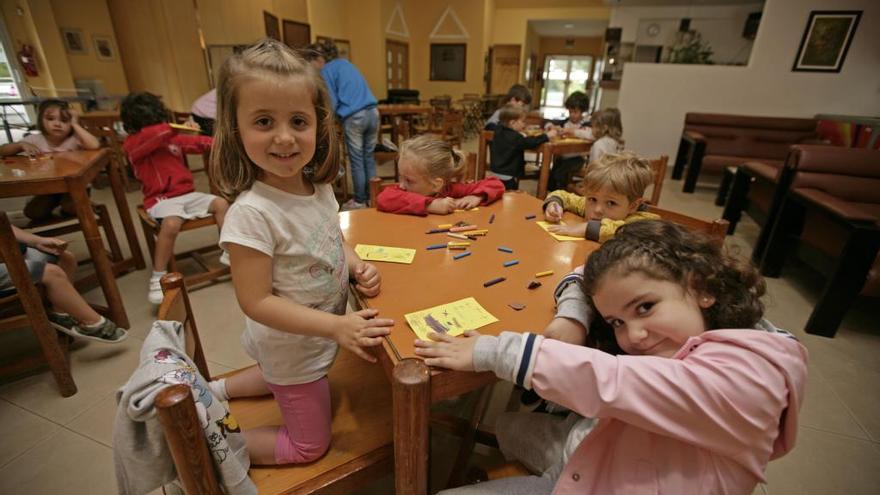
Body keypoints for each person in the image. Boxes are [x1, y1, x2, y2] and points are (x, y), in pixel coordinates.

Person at [417, 220, 808, 495]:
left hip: (607, 479)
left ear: (703, 286)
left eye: (645, 307)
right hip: (604, 449)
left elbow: (615, 381)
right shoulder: (703, 313)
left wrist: (495, 351)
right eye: (616, 321)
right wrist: (574, 316)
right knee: (506, 424)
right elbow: (586, 272)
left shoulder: (754, 381)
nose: (633, 336)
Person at [208, 39, 395, 465]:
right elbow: (256, 301)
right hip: (293, 352)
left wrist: (355, 263)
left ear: (319, 123)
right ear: (235, 128)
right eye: (263, 121)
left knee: (278, 378)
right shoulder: (251, 214)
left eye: (298, 120)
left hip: (310, 342)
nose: (285, 137)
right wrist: (335, 329)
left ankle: (217, 389)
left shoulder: (319, 188)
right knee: (309, 446)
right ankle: (211, 444)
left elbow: (331, 240)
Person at [120, 92, 229, 305]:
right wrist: (174, 127)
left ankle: (229, 250)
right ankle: (157, 276)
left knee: (221, 203)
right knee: (171, 224)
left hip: (186, 195)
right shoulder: (133, 144)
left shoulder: (168, 137)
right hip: (160, 200)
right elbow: (155, 135)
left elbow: (197, 143)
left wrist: (219, 142)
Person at [0, 225, 125, 343]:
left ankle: (60, 314)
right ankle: (93, 323)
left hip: (8, 251)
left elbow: (3, 224)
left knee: (65, 257)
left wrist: (37, 241)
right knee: (52, 273)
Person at [305, 40, 379, 210]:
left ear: (319, 59)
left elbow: (331, 102)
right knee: (368, 157)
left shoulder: (327, 70)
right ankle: (372, 198)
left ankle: (360, 200)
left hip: (354, 117)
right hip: (373, 112)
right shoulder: (346, 64)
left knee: (356, 159)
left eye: (312, 63)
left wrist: (324, 124)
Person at [0, 99, 101, 222]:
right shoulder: (35, 139)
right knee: (32, 213)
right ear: (41, 120)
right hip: (47, 187)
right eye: (50, 119)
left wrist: (75, 124)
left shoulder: (75, 139)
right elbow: (3, 151)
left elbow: (94, 145)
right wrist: (20, 145)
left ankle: (83, 205)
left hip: (75, 185)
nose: (57, 124)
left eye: (64, 121)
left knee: (72, 208)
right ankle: (62, 204)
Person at [376, 135, 504, 215]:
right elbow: (383, 199)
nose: (402, 185)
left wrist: (478, 196)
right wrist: (430, 205)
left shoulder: (449, 190)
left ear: (436, 184)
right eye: (401, 177)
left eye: (408, 180)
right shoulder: (401, 192)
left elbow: (495, 184)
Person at [542, 151, 658, 241]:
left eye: (611, 203)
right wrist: (555, 204)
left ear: (633, 206)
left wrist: (587, 228)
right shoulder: (588, 205)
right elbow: (564, 195)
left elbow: (620, 231)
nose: (597, 210)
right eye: (592, 199)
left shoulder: (643, 223)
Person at [489, 105, 557, 191]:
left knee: (498, 193)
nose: (525, 124)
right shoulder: (516, 138)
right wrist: (546, 136)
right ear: (512, 123)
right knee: (510, 194)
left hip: (495, 171)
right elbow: (529, 143)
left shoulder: (498, 130)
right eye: (523, 121)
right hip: (509, 175)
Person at [546, 91, 593, 192]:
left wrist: (572, 131)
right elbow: (547, 123)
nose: (572, 115)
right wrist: (552, 127)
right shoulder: (565, 122)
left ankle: (562, 192)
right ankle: (552, 191)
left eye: (575, 112)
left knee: (560, 174)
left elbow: (590, 135)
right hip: (562, 157)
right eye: (570, 112)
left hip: (577, 158)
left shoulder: (586, 124)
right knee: (551, 174)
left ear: (582, 111)